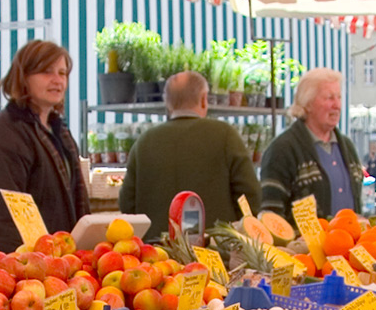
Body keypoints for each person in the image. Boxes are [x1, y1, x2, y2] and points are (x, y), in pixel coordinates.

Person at [118, 72, 259, 240]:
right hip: (215, 252)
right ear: (203, 99)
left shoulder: (144, 142)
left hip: (157, 255)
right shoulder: (225, 135)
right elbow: (250, 196)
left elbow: (127, 204)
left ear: (168, 103)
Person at [0, 40, 88, 250]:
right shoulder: (7, 130)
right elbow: (2, 212)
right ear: (23, 77)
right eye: (46, 72)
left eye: (62, 73)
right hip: (26, 263)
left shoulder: (59, 131)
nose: (57, 80)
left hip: (61, 259)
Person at [259, 68, 361, 221]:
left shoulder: (347, 147)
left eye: (339, 97)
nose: (337, 105)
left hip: (348, 243)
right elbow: (271, 216)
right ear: (307, 104)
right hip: (300, 245)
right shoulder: (282, 150)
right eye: (329, 98)